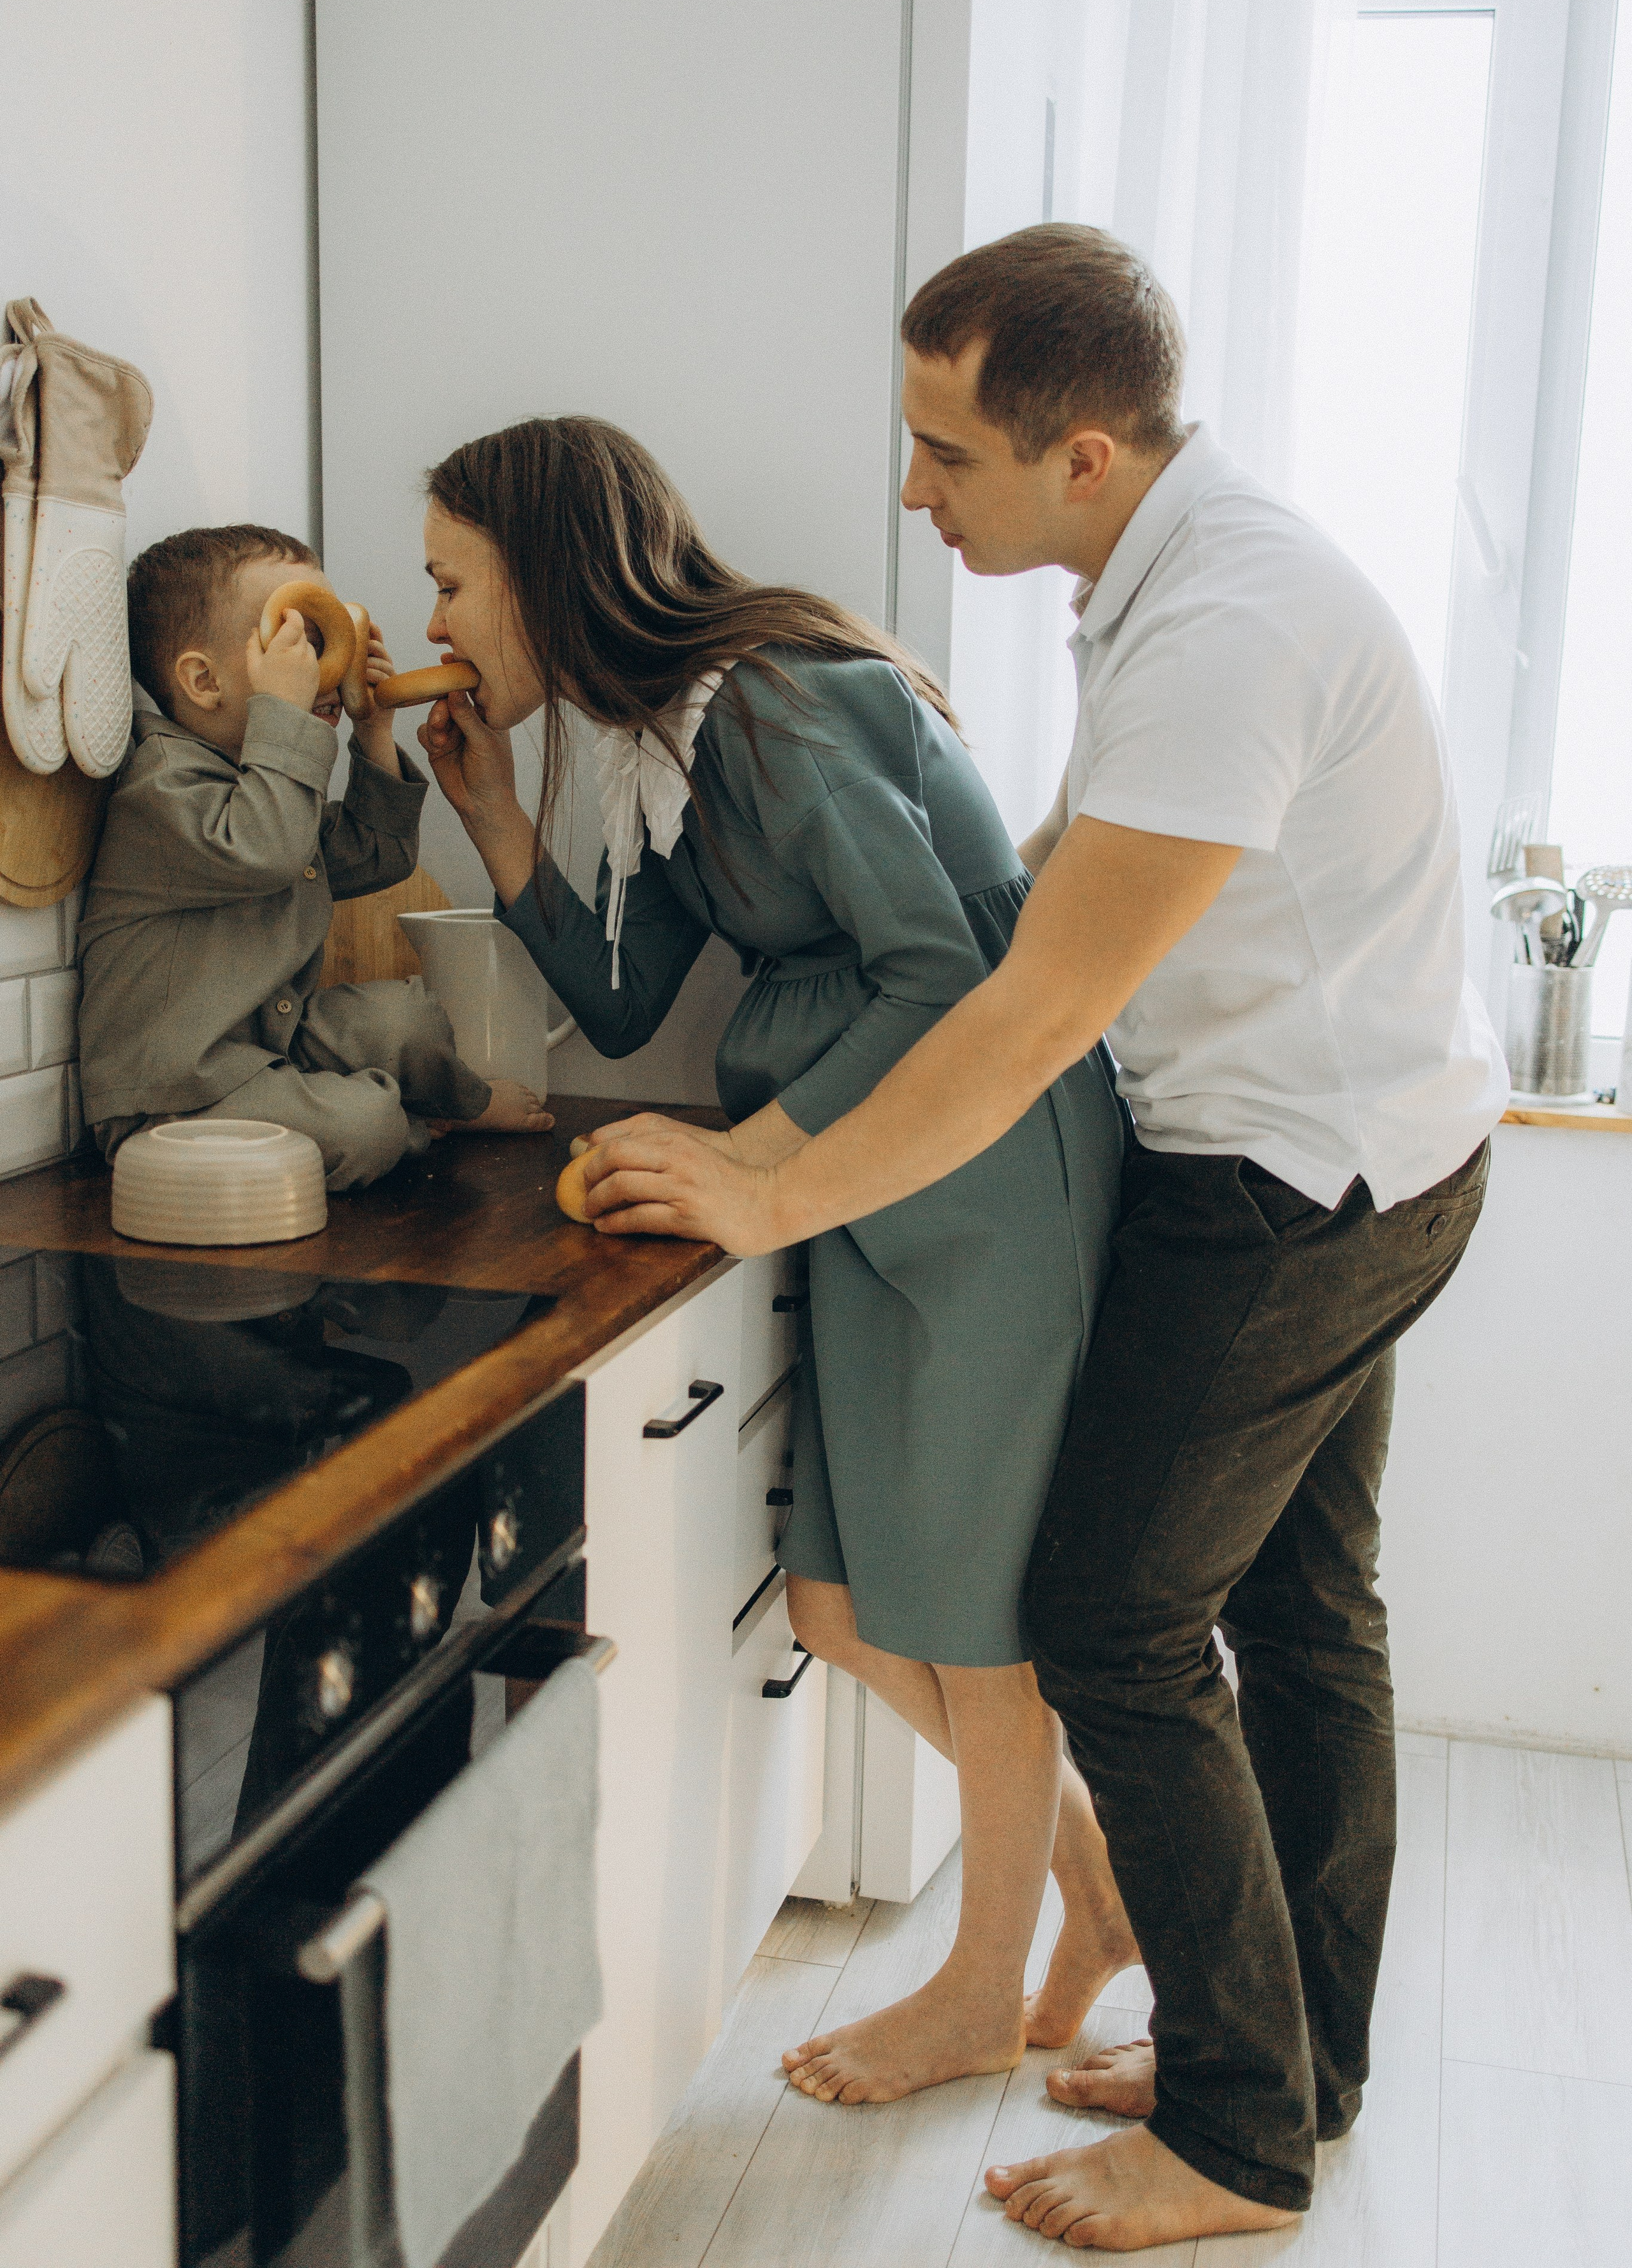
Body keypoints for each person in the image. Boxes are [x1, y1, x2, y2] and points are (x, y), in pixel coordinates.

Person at [571, 224, 1508, 2250]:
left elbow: (1022, 1010)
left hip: (1292, 1183)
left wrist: (764, 1183)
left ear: (1081, 454)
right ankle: (1297, 2059)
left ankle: (1238, 2136)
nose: (912, 488)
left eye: (947, 451)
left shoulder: (1224, 628)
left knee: (1113, 1620)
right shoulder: (1170, 572)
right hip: (1366, 1143)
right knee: (1303, 1619)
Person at [412, 413, 1137, 2104]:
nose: (434, 616)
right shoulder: (668, 738)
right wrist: (499, 817)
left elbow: (942, 978)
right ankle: (1098, 1898)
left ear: (542, 569)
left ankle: (980, 1985)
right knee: (838, 1601)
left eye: (453, 580)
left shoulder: (782, 706)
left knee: (970, 1620)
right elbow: (626, 1002)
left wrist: (746, 1161)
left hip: (988, 1192)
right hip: (858, 1187)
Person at [79, 523, 548, 1187]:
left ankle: (453, 1102)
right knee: (367, 1126)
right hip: (174, 1096)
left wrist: (373, 730)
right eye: (295, 640)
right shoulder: (160, 787)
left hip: (272, 1040)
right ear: (203, 682)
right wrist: (288, 718)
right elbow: (267, 853)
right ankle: (410, 1120)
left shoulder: (263, 783)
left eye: (326, 640)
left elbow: (379, 857)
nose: (326, 660)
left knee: (407, 1019)